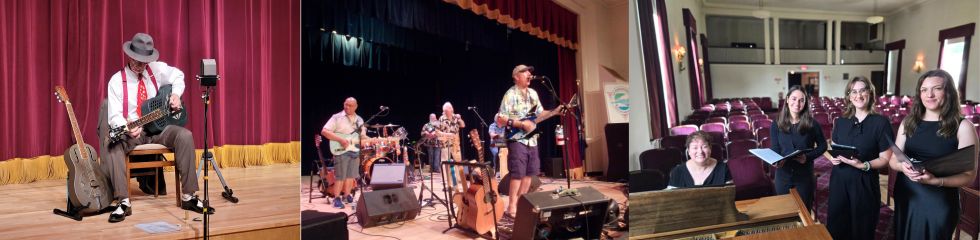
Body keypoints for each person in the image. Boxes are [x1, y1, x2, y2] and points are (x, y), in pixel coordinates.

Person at [102, 33, 212, 223]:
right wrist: (126, 127)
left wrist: (176, 94)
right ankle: (124, 201)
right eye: (137, 60)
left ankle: (189, 197)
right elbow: (114, 115)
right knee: (112, 143)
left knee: (185, 135)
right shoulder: (116, 81)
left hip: (159, 129)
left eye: (145, 62)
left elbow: (179, 75)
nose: (140, 65)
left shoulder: (156, 69)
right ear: (129, 56)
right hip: (134, 130)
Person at [888, 69, 978, 239]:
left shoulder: (964, 126)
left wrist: (936, 181)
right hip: (907, 195)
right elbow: (893, 160)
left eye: (936, 88)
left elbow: (969, 175)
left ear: (948, 92)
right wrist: (903, 167)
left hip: (939, 201)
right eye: (924, 90)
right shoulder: (908, 122)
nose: (929, 94)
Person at [826, 76, 893, 239]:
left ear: (870, 93)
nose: (858, 95)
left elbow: (885, 159)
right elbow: (834, 148)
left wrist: (863, 165)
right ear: (849, 96)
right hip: (839, 181)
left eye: (863, 90)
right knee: (837, 226)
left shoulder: (881, 123)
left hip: (864, 183)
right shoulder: (841, 122)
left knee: (862, 229)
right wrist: (833, 158)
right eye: (854, 91)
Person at [495, 64, 565, 217]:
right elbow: (500, 118)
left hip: (532, 139)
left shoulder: (533, 93)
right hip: (517, 139)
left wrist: (554, 112)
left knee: (529, 173)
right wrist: (520, 124)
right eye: (525, 72)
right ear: (516, 77)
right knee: (518, 174)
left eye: (530, 72)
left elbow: (539, 115)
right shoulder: (510, 94)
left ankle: (521, 203)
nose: (529, 74)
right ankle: (511, 207)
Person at [769, 85, 826, 211]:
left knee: (804, 211)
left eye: (801, 100)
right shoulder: (776, 123)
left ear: (805, 103)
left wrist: (807, 157)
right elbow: (775, 148)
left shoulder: (812, 124)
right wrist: (776, 160)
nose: (797, 103)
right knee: (784, 211)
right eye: (794, 99)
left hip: (804, 175)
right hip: (783, 174)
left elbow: (823, 146)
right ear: (788, 99)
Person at [321, 97, 367, 209]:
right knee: (340, 176)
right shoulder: (336, 117)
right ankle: (337, 198)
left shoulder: (359, 120)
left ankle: (347, 195)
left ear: (356, 107)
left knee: (351, 175)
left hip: (354, 150)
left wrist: (371, 140)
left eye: (350, 105)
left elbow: (363, 137)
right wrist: (340, 140)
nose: (347, 107)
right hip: (341, 150)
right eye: (346, 104)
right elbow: (324, 131)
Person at [667, 131, 732, 189]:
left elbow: (729, 196)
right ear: (688, 151)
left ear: (710, 148)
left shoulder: (723, 169)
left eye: (704, 147)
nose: (700, 151)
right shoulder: (677, 172)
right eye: (695, 147)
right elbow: (671, 200)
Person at [439, 102, 466, 191]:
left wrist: (460, 119)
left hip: (455, 144)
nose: (445, 112)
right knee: (446, 164)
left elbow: (463, 125)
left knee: (458, 163)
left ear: (451, 110)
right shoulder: (441, 118)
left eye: (447, 111)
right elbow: (437, 131)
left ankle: (459, 182)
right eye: (444, 111)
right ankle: (448, 184)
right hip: (445, 143)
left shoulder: (456, 117)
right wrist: (447, 134)